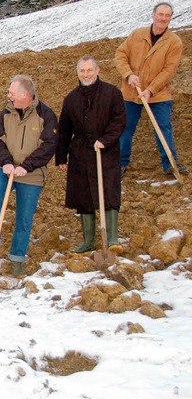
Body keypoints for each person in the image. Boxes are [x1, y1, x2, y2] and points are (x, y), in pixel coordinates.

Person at [0, 75, 57, 276]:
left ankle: (17, 260)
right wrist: (5, 162)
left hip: (31, 174)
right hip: (6, 169)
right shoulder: (6, 112)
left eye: (12, 93)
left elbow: (49, 145)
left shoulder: (46, 115)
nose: (9, 96)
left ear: (25, 94)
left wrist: (27, 166)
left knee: (24, 217)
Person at [56, 56, 126, 254]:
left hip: (106, 152)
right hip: (80, 153)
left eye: (89, 70)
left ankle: (112, 238)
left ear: (98, 70)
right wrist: (61, 156)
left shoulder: (112, 94)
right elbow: (64, 129)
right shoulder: (70, 99)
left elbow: (119, 121)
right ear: (77, 73)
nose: (86, 74)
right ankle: (88, 242)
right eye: (82, 71)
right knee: (84, 196)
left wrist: (105, 140)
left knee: (109, 192)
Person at [115, 1, 187, 176]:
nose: (163, 18)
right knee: (125, 128)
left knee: (163, 127)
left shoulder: (174, 42)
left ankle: (169, 163)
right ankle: (120, 163)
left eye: (167, 15)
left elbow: (169, 70)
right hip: (132, 92)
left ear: (170, 18)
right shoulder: (137, 35)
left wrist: (151, 89)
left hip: (159, 94)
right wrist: (129, 75)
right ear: (153, 15)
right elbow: (120, 54)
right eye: (160, 14)